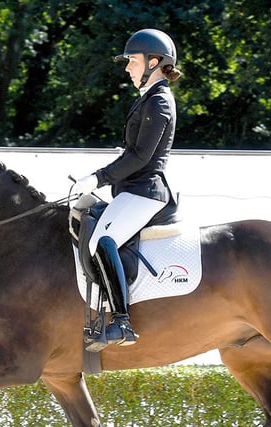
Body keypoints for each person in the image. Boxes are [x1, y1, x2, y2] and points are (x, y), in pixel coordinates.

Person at [71, 28, 182, 349]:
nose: (127, 67)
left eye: (133, 61)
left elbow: (140, 156)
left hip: (146, 191)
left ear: (154, 62)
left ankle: (122, 323)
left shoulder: (159, 101)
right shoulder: (148, 99)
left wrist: (98, 178)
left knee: (103, 241)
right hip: (131, 190)